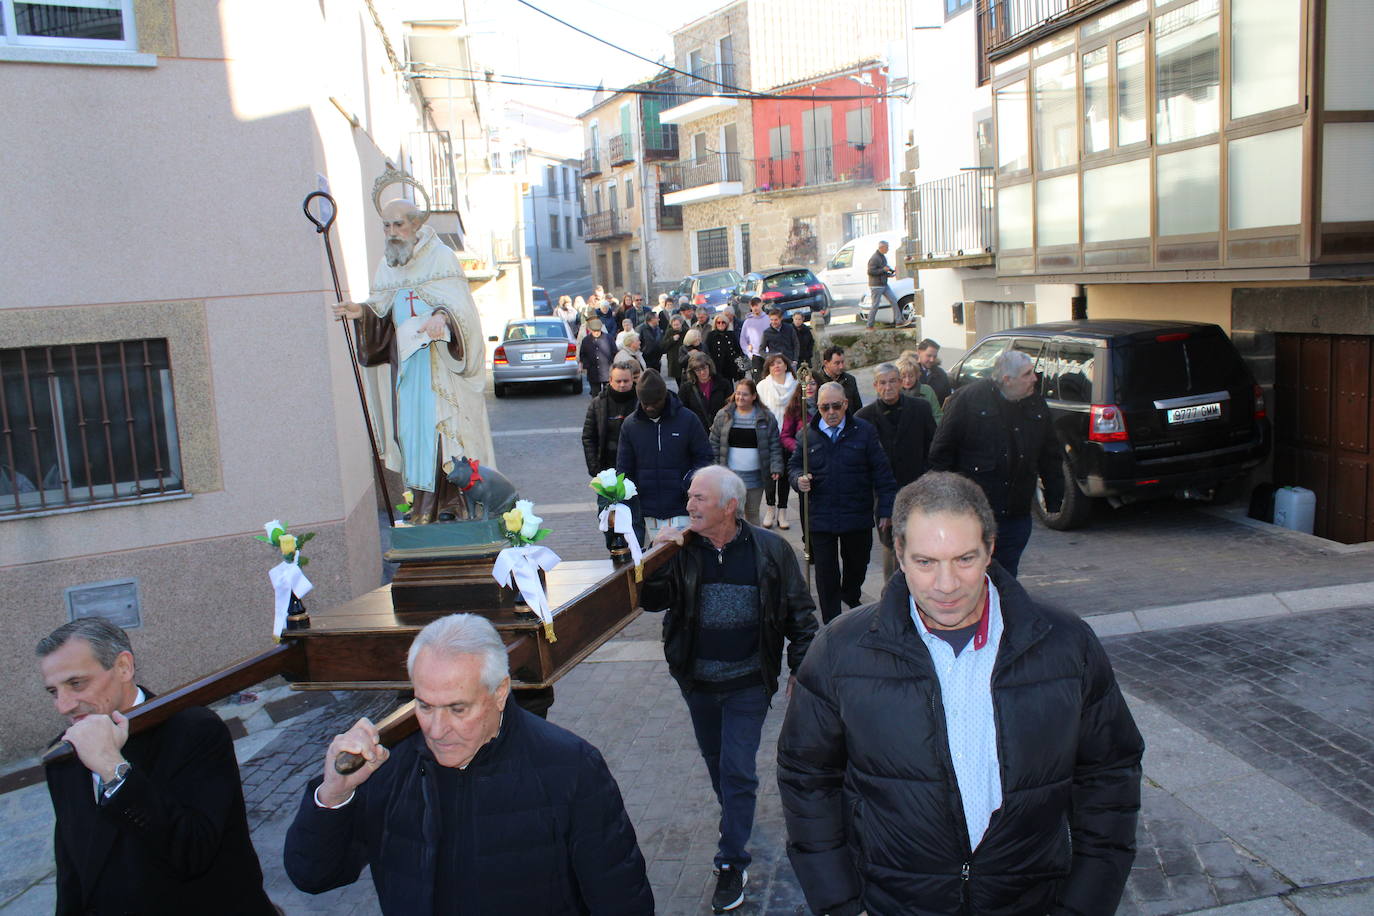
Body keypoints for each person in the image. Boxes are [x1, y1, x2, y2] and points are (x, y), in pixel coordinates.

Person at [777, 472, 1143, 916]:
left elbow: (1108, 776)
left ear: (990, 548)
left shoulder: (1069, 646)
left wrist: (1084, 904)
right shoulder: (839, 651)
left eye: (964, 559)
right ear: (900, 556)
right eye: (926, 562)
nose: (946, 585)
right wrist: (839, 904)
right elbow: (807, 779)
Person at [284, 613, 653, 914]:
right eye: (425, 705)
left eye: (458, 708)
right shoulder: (388, 767)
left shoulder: (571, 768)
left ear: (500, 693)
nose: (438, 729)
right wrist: (333, 794)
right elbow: (313, 875)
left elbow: (620, 899)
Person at [643, 466, 817, 914]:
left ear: (729, 506)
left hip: (747, 683)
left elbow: (801, 615)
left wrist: (801, 669)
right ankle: (736, 816)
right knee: (719, 764)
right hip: (697, 682)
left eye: (699, 499)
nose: (689, 506)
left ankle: (731, 861)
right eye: (690, 498)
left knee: (738, 769)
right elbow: (650, 600)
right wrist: (655, 558)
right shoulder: (681, 549)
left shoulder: (771, 551)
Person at [38, 618, 275, 915]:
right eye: (53, 691)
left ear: (123, 667)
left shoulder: (193, 730)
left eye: (76, 683)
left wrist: (113, 769)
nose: (64, 705)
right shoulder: (64, 754)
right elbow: (72, 870)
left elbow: (193, 851)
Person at [333, 197, 494, 524]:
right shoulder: (387, 265)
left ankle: (454, 503)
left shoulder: (442, 258)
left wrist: (442, 318)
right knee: (412, 435)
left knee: (443, 432)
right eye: (386, 226)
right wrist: (362, 312)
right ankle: (424, 504)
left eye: (399, 224)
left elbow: (462, 310)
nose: (392, 232)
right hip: (406, 370)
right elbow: (381, 307)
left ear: (416, 224)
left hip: (439, 368)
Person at [930, 348, 1063, 577]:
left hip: (1016, 513)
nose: (1034, 378)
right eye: (1027, 374)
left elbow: (1050, 454)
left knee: (1005, 576)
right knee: (974, 575)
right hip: (974, 514)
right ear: (1007, 380)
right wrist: (944, 505)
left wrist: (1054, 498)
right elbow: (941, 454)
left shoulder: (1035, 403)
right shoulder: (968, 399)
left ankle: (1000, 611)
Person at [792, 381, 896, 623]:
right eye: (825, 407)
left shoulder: (864, 431)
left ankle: (850, 594)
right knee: (826, 576)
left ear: (845, 404)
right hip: (820, 517)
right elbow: (794, 465)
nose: (830, 412)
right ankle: (832, 624)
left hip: (856, 514)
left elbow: (882, 472)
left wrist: (885, 510)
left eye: (836, 406)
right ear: (817, 407)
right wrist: (798, 480)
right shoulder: (807, 436)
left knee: (857, 566)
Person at [856, 363, 938, 580]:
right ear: (875, 386)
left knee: (919, 543)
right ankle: (892, 593)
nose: (888, 386)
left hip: (918, 489)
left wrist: (928, 479)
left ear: (901, 382)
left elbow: (934, 448)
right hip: (884, 494)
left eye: (893, 381)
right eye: (883, 382)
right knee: (891, 545)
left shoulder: (920, 408)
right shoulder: (864, 417)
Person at [616, 369, 713, 543]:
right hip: (648, 509)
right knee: (659, 561)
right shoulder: (630, 425)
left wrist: (687, 482)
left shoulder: (688, 420)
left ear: (664, 397)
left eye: (654, 402)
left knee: (683, 559)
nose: (650, 407)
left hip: (683, 506)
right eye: (645, 403)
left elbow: (704, 458)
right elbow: (624, 469)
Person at [708, 378, 783, 526]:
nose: (740, 398)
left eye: (745, 394)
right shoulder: (723, 415)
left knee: (753, 513)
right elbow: (714, 442)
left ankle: (754, 544)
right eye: (738, 394)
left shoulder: (766, 418)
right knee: (733, 514)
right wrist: (715, 468)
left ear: (754, 396)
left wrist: (776, 467)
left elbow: (774, 444)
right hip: (730, 478)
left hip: (756, 477)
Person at [754, 354, 797, 528]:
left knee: (785, 475)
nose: (776, 366)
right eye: (772, 364)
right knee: (769, 475)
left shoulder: (795, 385)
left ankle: (783, 511)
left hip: (788, 436)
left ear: (786, 365)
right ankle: (770, 508)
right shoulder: (762, 386)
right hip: (768, 436)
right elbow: (757, 411)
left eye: (779, 362)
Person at [582, 361, 640, 476]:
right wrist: (594, 467)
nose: (622, 385)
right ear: (610, 380)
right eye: (618, 381)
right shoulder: (597, 404)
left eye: (626, 381)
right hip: (606, 469)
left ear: (632, 380)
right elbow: (588, 437)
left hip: (636, 468)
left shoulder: (641, 402)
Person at [679, 350, 731, 430]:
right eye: (698, 370)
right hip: (697, 430)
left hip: (720, 428)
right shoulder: (686, 388)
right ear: (692, 372)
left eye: (704, 368)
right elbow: (682, 411)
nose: (702, 372)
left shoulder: (723, 384)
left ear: (709, 366)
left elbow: (730, 406)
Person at [895, 351, 943, 422]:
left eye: (911, 376)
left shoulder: (927, 390)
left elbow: (938, 416)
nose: (907, 380)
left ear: (917, 375)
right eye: (903, 376)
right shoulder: (894, 392)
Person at [864, 239, 902, 329]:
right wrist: (883, 270)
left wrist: (889, 274)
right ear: (882, 247)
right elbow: (870, 271)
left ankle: (899, 321)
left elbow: (882, 270)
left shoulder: (883, 257)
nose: (888, 249)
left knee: (893, 300)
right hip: (876, 286)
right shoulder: (874, 258)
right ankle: (869, 325)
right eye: (887, 247)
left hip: (884, 284)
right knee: (875, 305)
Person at [578, 317, 617, 397]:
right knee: (595, 394)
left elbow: (614, 352)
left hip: (606, 370)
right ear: (590, 330)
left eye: (598, 331)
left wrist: (613, 366)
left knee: (608, 394)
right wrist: (583, 365)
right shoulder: (586, 340)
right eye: (594, 331)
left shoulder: (608, 338)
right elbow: (582, 354)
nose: (596, 333)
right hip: (593, 371)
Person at [816, 346, 863, 411]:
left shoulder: (850, 379)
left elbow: (858, 408)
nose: (841, 366)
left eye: (842, 362)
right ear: (826, 363)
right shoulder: (816, 381)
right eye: (837, 363)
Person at [706, 313, 746, 381]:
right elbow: (707, 351)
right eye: (718, 322)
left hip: (730, 367)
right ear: (715, 324)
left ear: (726, 323)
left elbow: (738, 351)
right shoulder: (711, 336)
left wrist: (741, 366)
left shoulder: (731, 334)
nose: (721, 324)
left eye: (723, 322)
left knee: (730, 388)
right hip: (717, 367)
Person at [738, 297, 771, 378]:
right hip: (756, 355)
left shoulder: (768, 319)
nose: (755, 308)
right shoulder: (748, 322)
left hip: (769, 354)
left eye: (757, 305)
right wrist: (749, 353)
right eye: (753, 306)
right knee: (758, 380)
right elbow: (743, 339)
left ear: (761, 305)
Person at [917, 337, 953, 405]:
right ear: (919, 352)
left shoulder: (941, 374)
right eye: (929, 356)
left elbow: (948, 397)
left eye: (934, 356)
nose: (932, 360)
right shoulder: (910, 373)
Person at [662, 313, 689, 381]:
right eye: (674, 325)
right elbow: (664, 346)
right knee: (678, 379)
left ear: (681, 323)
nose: (676, 327)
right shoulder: (669, 332)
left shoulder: (686, 331)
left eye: (677, 324)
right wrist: (672, 339)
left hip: (685, 358)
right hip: (674, 360)